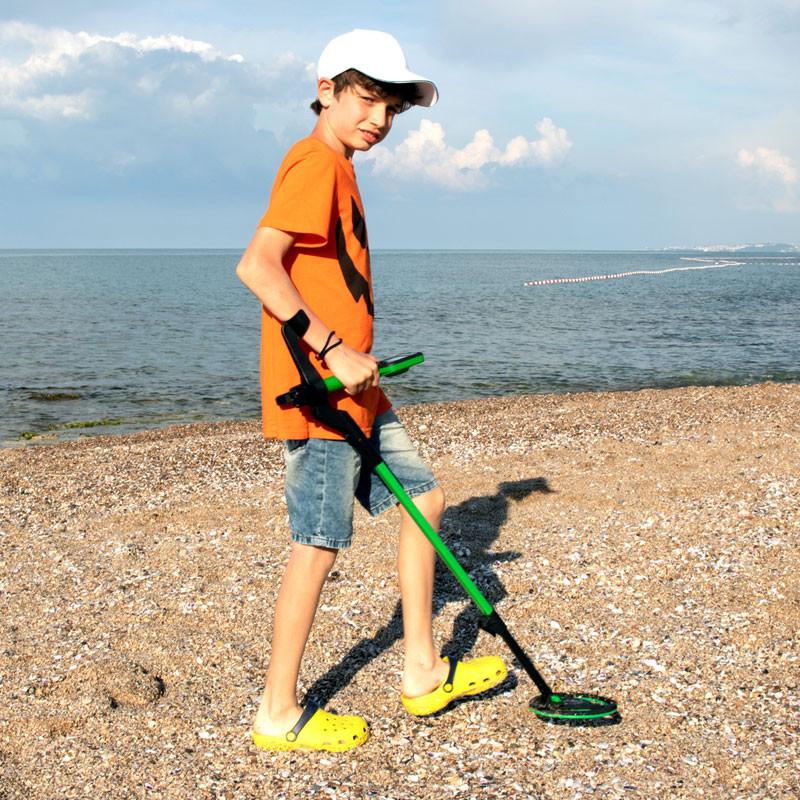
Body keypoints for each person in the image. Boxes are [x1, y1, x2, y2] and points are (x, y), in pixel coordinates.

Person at [236, 29, 506, 753]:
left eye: (392, 108)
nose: (380, 120)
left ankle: (421, 670)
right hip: (318, 395)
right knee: (317, 545)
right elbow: (259, 267)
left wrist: (355, 353)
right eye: (367, 99)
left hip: (356, 389)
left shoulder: (340, 166)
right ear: (326, 90)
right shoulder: (314, 162)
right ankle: (277, 712)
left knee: (424, 499)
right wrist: (331, 347)